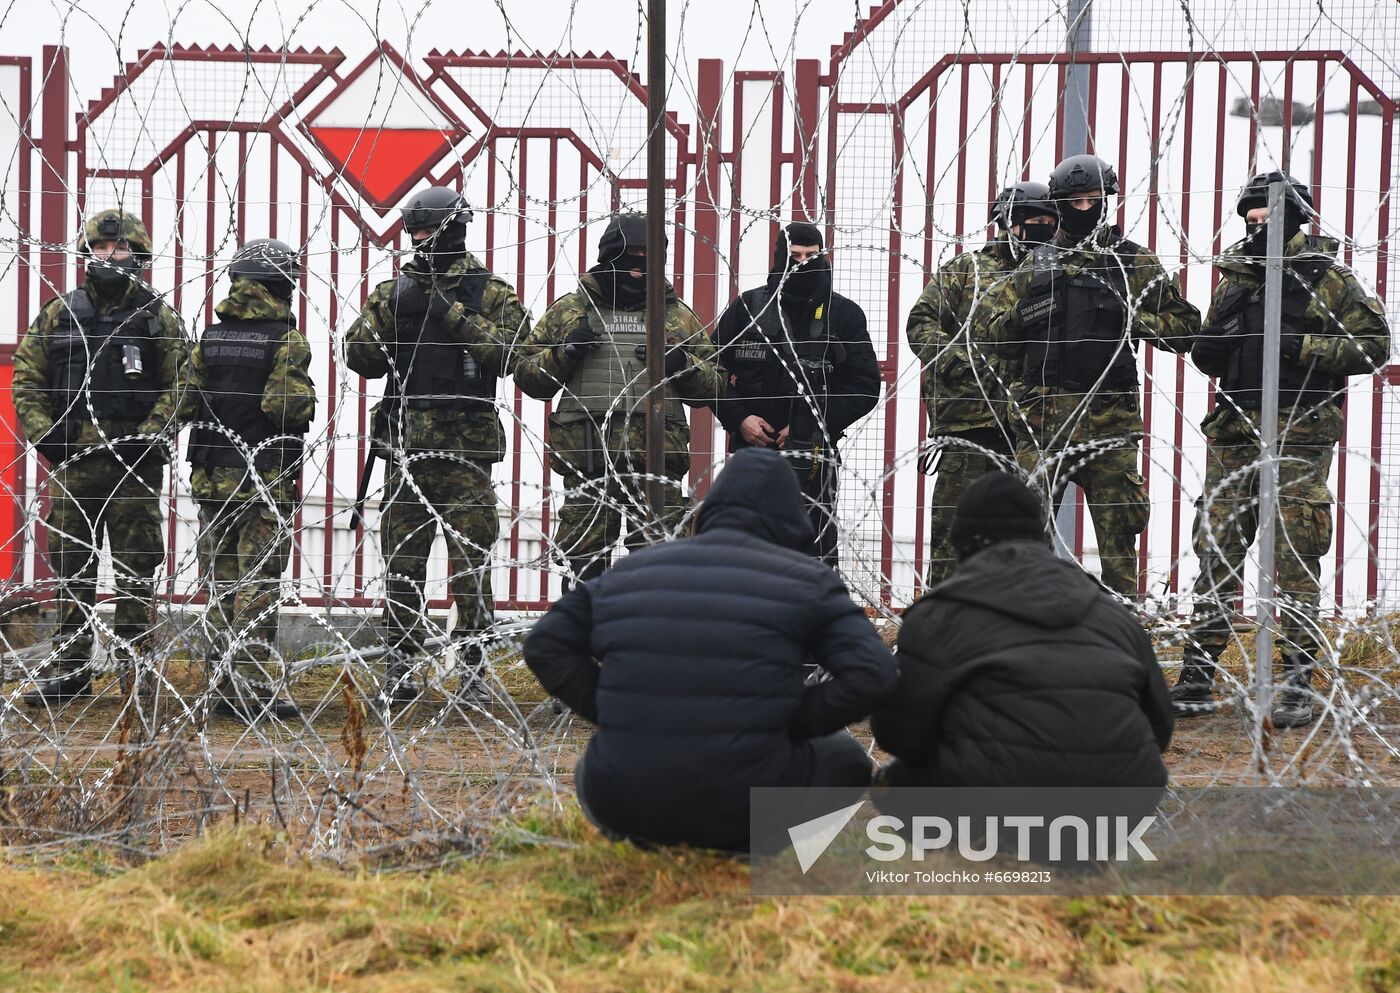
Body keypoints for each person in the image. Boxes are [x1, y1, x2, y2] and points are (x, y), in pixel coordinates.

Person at [523, 447, 897, 852]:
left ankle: (648, 843)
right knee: (846, 759)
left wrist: (612, 710)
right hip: (746, 805)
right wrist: (792, 720)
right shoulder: (808, 582)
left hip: (624, 799)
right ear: (792, 520)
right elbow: (873, 674)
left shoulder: (630, 572)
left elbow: (546, 644)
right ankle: (759, 849)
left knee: (601, 759)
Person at [1172, 172, 1392, 728]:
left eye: (1267, 214)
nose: (1257, 224)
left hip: (1299, 430)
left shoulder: (1326, 277)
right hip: (1235, 431)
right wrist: (1210, 347)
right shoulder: (1235, 280)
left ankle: (1296, 680)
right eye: (1250, 216)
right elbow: (1209, 351)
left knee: (1294, 553)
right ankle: (1198, 672)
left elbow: (1373, 346)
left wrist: (1300, 345)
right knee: (1217, 549)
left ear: (1294, 215)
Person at [345, 187, 532, 707]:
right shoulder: (395, 292)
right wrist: (393, 314)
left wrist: (450, 314)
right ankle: (402, 665)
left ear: (453, 230)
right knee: (403, 562)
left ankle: (472, 667)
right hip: (406, 448)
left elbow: (514, 354)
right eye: (415, 233)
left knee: (471, 564)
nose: (421, 240)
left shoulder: (489, 292)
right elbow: (359, 356)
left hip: (465, 452)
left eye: (428, 231)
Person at [982, 155, 1201, 598]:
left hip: (1109, 418)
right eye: (1074, 201)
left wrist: (1131, 316)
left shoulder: (1131, 260)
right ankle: (1031, 619)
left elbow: (1185, 329)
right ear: (1059, 203)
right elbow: (993, 339)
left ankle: (1122, 622)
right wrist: (1026, 315)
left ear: (1107, 201)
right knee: (1027, 530)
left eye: (1093, 200)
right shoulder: (1036, 262)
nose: (1084, 209)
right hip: (1043, 419)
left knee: (1119, 533)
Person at [871, 470, 1173, 790]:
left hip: (995, 797)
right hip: (1120, 798)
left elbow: (898, 734)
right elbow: (1161, 727)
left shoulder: (940, 616)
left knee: (896, 783)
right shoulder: (1111, 613)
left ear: (961, 541)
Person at [11, 209, 187, 707]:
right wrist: (46, 436)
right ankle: (70, 669)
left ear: (139, 255)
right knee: (72, 567)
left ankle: (136, 670)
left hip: (134, 464)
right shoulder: (60, 314)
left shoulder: (158, 318)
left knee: (136, 568)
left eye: (121, 248)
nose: (111, 256)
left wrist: (150, 434)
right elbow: (27, 377)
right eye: (102, 248)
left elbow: (183, 383)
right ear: (89, 253)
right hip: (74, 462)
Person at [514, 212, 720, 588]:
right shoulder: (570, 311)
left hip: (656, 464)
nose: (637, 269)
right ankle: (587, 629)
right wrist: (565, 353)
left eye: (647, 258)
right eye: (630, 257)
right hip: (590, 461)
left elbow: (715, 386)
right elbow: (528, 377)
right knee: (584, 569)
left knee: (658, 570)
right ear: (609, 256)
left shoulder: (677, 318)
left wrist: (681, 365)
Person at [179, 239, 315, 721]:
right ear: (280, 285)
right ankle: (252, 688)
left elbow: (183, 402)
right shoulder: (286, 341)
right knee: (258, 586)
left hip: (213, 477)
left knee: (221, 584)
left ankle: (221, 685)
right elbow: (285, 406)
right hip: (262, 481)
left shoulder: (210, 339)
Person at [906, 183, 1058, 586]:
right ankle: (945, 614)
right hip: (969, 425)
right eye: (1035, 221)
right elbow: (921, 323)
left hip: (1030, 429)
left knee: (1026, 543)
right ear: (1009, 223)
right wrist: (961, 362)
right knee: (953, 539)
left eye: (1049, 222)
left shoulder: (1055, 275)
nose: (1043, 229)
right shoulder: (967, 270)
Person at [712, 222, 881, 565]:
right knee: (749, 554)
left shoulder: (842, 315)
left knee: (814, 555)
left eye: (811, 256)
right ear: (779, 258)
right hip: (753, 450)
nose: (802, 264)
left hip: (814, 457)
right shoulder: (748, 308)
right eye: (795, 257)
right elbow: (708, 371)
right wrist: (740, 418)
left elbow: (865, 387)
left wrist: (812, 423)